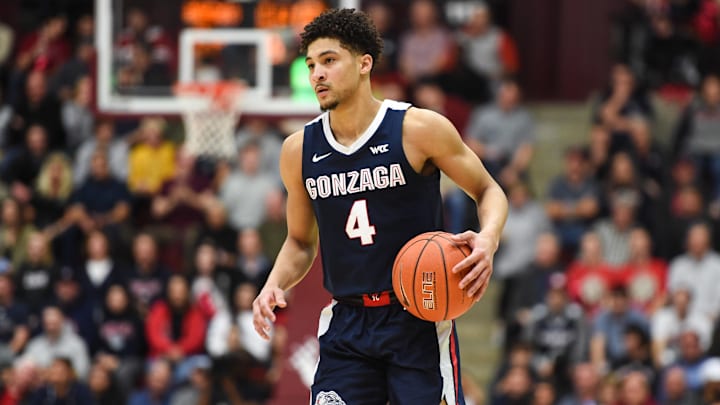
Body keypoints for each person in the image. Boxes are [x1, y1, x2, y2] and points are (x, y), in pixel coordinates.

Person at [252, 9, 508, 405]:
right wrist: (273, 284)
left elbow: (488, 190)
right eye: (311, 64)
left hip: (417, 316)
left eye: (329, 61)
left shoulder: (418, 129)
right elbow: (301, 242)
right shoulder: (298, 150)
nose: (317, 74)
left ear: (364, 63)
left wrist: (488, 239)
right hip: (348, 325)